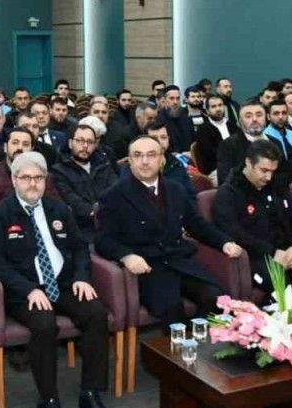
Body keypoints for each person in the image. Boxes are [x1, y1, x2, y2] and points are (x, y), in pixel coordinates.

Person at [0, 152, 111, 408]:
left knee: (96, 313)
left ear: (45, 180)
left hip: (62, 283)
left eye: (38, 177)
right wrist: (28, 289)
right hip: (23, 290)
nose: (33, 183)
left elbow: (80, 248)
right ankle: (49, 399)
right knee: (44, 324)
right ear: (14, 180)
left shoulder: (59, 209)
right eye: (26, 178)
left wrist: (82, 277)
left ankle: (91, 391)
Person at [94, 135, 243, 325]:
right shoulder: (113, 196)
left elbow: (196, 224)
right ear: (129, 161)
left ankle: (202, 341)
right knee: (173, 310)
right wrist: (126, 256)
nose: (144, 161)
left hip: (179, 260)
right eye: (138, 155)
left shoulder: (175, 189)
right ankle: (179, 343)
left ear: (161, 159)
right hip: (148, 268)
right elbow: (103, 240)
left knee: (216, 298)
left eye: (151, 155)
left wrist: (224, 242)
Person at [212, 141, 292, 296]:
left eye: (273, 171)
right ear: (248, 163)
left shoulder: (277, 185)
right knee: (282, 289)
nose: (268, 177)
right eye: (264, 170)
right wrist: (272, 253)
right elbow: (234, 233)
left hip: (289, 249)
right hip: (257, 255)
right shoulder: (228, 193)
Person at [50, 124, 116, 243]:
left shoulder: (104, 165)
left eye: (90, 142)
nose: (85, 146)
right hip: (82, 230)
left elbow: (115, 190)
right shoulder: (59, 171)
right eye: (80, 141)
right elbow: (71, 199)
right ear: (70, 143)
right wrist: (95, 212)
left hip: (111, 223)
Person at [0, 127, 37, 215]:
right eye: (15, 143)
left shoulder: (42, 176)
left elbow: (54, 209)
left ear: (31, 150)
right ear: (5, 147)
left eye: (25, 144)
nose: (20, 148)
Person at [216, 102, 266, 184]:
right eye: (248, 116)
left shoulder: (274, 141)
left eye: (259, 115)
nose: (254, 119)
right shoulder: (228, 145)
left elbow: (284, 173)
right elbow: (225, 179)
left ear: (266, 118)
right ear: (240, 122)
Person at [193, 94, 239, 175]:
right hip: (216, 169)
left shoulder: (232, 126)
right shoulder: (203, 129)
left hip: (236, 166)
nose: (218, 109)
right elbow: (209, 153)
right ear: (207, 111)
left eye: (220, 105)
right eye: (213, 106)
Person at [264, 100, 292, 177]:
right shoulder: (264, 137)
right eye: (276, 113)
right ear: (268, 117)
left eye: (284, 113)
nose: (280, 117)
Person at [155, 85, 195, 155]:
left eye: (178, 98)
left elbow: (193, 141)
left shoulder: (187, 118)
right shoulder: (159, 120)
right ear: (165, 100)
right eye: (172, 98)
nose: (175, 102)